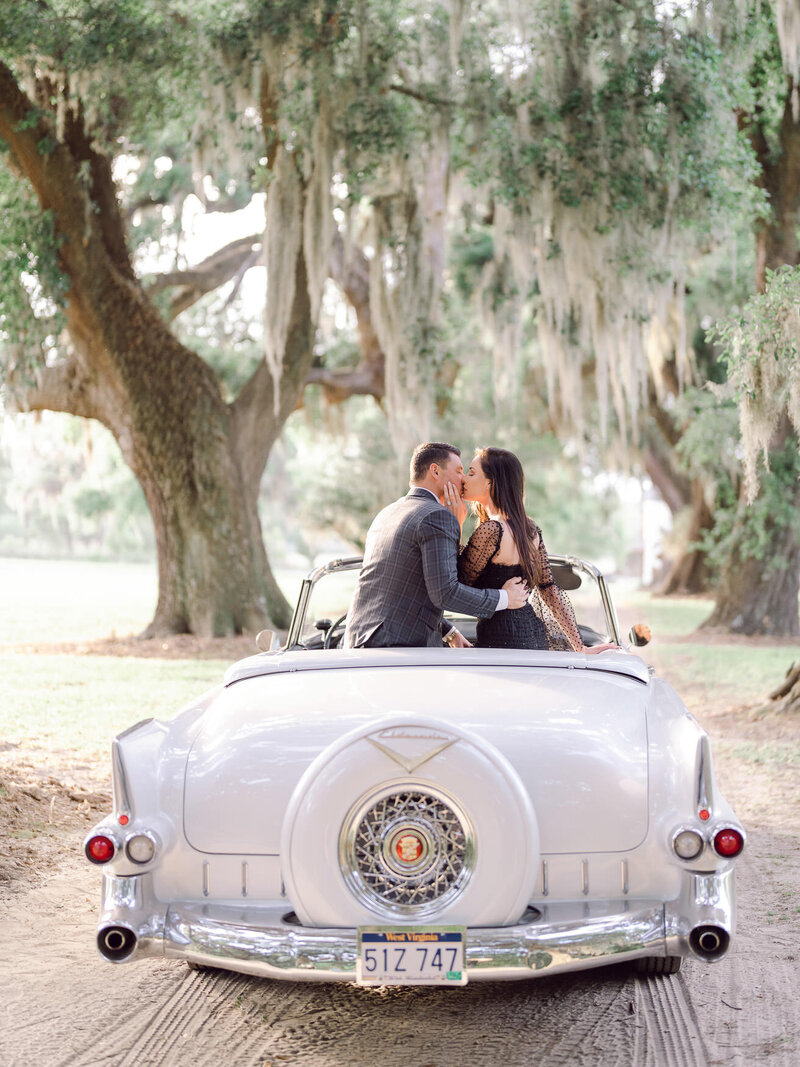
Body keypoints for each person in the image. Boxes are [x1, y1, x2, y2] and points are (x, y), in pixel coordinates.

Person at [344, 442, 530, 648]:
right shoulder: (437, 516)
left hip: (358, 640)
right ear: (435, 471)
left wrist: (449, 631)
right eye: (460, 471)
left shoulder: (388, 512)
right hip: (396, 648)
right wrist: (505, 598)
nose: (463, 479)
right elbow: (446, 593)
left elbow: (405, 588)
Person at [442, 446, 618, 653]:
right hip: (531, 633)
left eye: (471, 473)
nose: (463, 479)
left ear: (491, 483)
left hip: (502, 637)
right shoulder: (530, 529)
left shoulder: (492, 530)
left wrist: (455, 523)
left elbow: (458, 581)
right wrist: (580, 647)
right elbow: (549, 589)